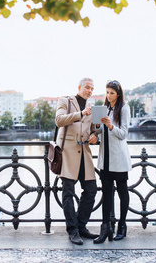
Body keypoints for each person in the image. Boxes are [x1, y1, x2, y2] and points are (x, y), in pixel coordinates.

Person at [55, 77, 99, 245]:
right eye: (87, 87)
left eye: (92, 89)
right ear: (79, 87)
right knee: (67, 193)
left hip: (84, 154)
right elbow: (59, 121)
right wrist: (80, 114)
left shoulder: (92, 108)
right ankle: (72, 230)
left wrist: (95, 136)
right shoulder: (65, 101)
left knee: (91, 190)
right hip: (67, 154)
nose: (89, 91)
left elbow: (95, 129)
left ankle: (81, 226)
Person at [90, 80, 132, 244]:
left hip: (119, 158)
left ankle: (122, 225)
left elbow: (123, 134)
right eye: (107, 92)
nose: (108, 95)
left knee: (122, 192)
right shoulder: (104, 108)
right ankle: (105, 228)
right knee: (106, 193)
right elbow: (101, 129)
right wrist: (96, 131)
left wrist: (110, 125)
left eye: (112, 93)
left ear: (118, 94)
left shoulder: (124, 108)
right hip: (105, 158)